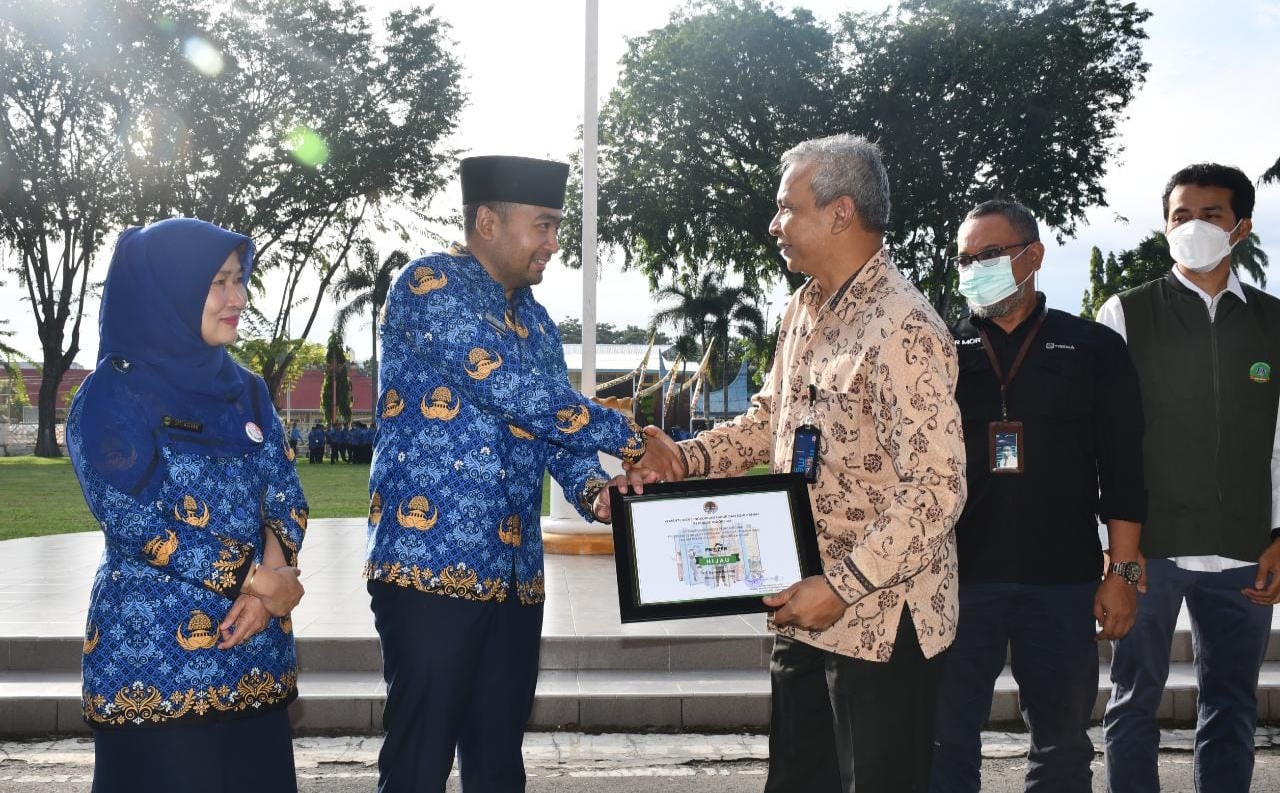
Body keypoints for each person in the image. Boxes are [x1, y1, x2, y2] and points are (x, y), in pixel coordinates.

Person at [647, 134, 967, 793]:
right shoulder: (804, 307)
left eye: (787, 207)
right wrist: (683, 457)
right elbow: (769, 421)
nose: (775, 224)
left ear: (840, 212)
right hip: (803, 602)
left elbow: (938, 488)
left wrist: (842, 586)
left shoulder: (904, 325)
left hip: (880, 622)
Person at [365, 154, 679, 793]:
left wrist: (597, 491)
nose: (553, 243)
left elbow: (554, 432)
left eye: (556, 226)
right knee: (418, 763)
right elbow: (509, 389)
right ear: (488, 221)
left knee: (499, 762)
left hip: (514, 580)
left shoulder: (536, 322)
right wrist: (632, 439)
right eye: (543, 225)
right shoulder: (428, 286)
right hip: (429, 566)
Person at [65, 218, 307, 793]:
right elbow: (133, 519)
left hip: (254, 659)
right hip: (152, 669)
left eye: (240, 279)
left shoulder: (248, 391)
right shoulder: (111, 394)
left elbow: (286, 494)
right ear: (168, 291)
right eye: (218, 282)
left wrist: (269, 588)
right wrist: (255, 581)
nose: (237, 297)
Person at [929, 200, 1146, 793]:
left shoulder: (1094, 347)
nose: (973, 269)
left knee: (1062, 748)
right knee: (944, 743)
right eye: (964, 259)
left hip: (1063, 583)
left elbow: (1125, 469)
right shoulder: (939, 348)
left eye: (989, 255)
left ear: (1033, 257)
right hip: (957, 581)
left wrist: (1123, 572)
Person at [1097, 163, 1280, 793]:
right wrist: (1117, 550)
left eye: (1210, 215)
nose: (1193, 226)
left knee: (1232, 707)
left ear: (1241, 228)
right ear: (1165, 225)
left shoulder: (1273, 321)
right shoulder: (1126, 312)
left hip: (1245, 551)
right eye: (1180, 215)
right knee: (1132, 702)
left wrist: (1279, 534)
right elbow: (1106, 440)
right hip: (1149, 550)